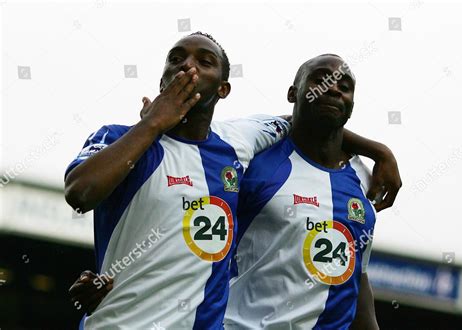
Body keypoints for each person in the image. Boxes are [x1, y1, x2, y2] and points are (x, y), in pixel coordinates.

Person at [66, 33, 401, 329]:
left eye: (205, 61)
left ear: (223, 88)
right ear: (161, 79)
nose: (188, 66)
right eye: (176, 58)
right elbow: (81, 193)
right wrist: (153, 123)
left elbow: (303, 119)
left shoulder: (237, 143)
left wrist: (378, 151)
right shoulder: (117, 138)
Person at [224, 54, 382, 329]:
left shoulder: (361, 181)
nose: (333, 88)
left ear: (351, 105)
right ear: (292, 93)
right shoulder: (255, 159)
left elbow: (358, 277)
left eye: (344, 87)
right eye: (320, 80)